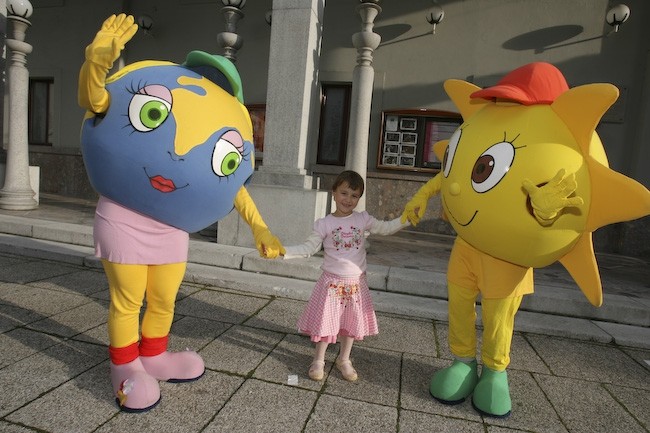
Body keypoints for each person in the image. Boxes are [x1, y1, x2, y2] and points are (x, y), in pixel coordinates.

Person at [282, 170, 409, 382]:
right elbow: (307, 248)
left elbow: (386, 228)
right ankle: (319, 360)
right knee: (325, 324)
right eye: (344, 193)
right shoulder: (324, 224)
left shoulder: (363, 219)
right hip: (331, 284)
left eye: (354, 195)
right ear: (333, 193)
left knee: (350, 324)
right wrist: (282, 250)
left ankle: (344, 359)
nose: (348, 199)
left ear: (359, 198)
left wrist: (406, 219)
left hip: (356, 285)